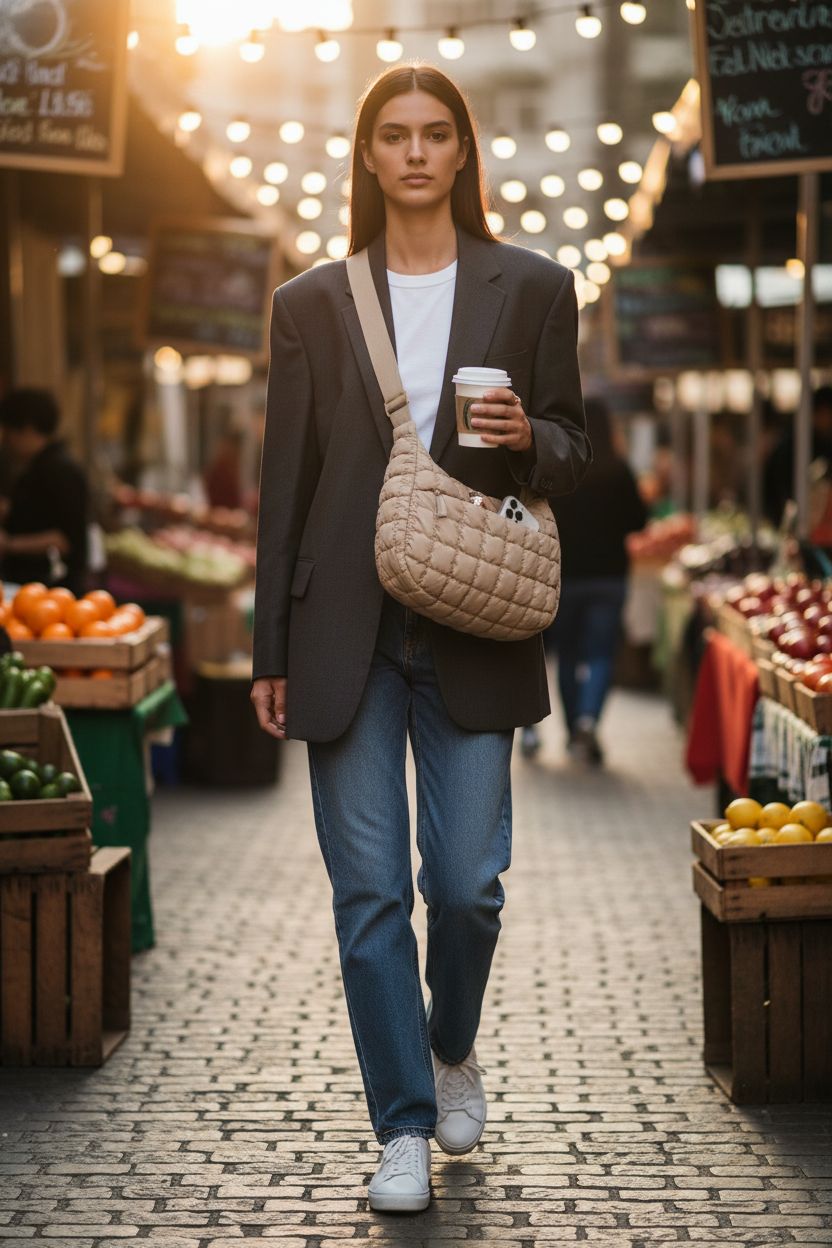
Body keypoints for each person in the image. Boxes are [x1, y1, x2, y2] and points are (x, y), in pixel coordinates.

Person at [250, 64, 588, 1213]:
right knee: (369, 895)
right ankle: (400, 1123)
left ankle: (451, 1048)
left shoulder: (535, 287)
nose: (412, 153)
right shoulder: (309, 301)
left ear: (461, 152)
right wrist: (268, 652)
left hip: (475, 628)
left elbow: (577, 448)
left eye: (433, 134)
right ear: (364, 155)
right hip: (343, 629)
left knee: (467, 884)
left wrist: (526, 436)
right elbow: (281, 485)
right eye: (391, 135)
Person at [521, 396, 646, 765]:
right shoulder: (620, 471)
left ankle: (574, 723)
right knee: (601, 653)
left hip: (565, 578)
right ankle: (588, 723)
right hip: (610, 578)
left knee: (569, 653)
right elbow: (638, 521)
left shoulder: (563, 472)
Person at [0, 388, 89, 595]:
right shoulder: (35, 466)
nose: (6, 440)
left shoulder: (59, 470)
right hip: (34, 589)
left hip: (54, 591)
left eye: (9, 431)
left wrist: (9, 544)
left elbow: (67, 539)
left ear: (28, 429)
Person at [763, 385, 832, 527]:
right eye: (824, 413)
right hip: (792, 519)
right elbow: (780, 489)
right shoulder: (793, 444)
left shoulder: (825, 442)